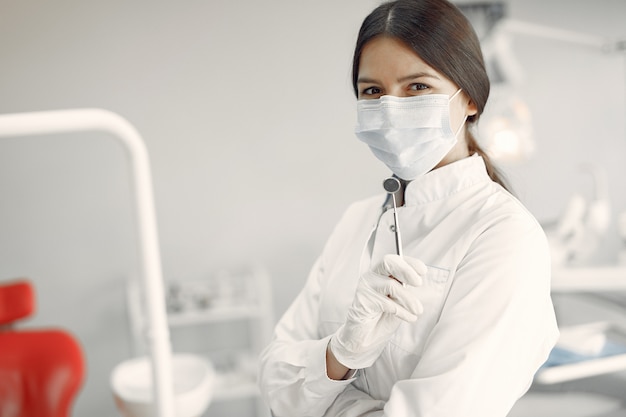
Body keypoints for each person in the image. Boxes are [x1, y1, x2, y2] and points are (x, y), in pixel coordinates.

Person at [258, 0, 559, 416]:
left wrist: (325, 403)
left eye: (417, 87)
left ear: (470, 97)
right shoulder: (358, 219)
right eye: (372, 91)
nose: (390, 108)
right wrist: (340, 354)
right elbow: (275, 382)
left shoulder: (505, 235)